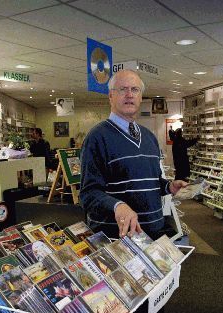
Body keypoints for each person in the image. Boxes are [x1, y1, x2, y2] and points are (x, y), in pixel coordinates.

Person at [80, 70, 188, 240]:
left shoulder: (149, 137)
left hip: (154, 235)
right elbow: (88, 193)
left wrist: (168, 187)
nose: (129, 95)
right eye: (122, 89)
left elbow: (152, 181)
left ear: (140, 97)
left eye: (135, 90)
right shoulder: (97, 137)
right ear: (110, 96)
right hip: (117, 240)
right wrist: (117, 206)